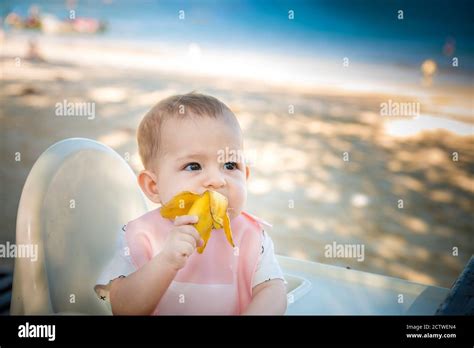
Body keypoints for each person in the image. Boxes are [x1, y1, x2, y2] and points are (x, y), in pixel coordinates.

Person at [94, 92, 287, 315]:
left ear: (246, 175)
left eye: (230, 165)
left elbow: (273, 289)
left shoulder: (251, 235)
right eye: (193, 166)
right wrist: (166, 262)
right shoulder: (140, 235)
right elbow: (123, 308)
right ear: (153, 186)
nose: (217, 180)